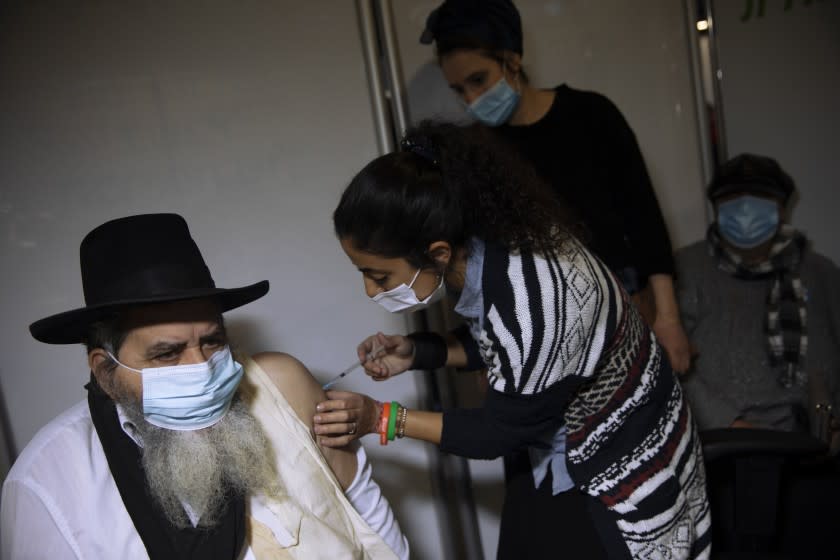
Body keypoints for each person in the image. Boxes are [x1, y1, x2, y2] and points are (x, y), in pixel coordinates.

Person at [313, 122, 711, 559]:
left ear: (439, 252)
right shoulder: (488, 244)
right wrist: (419, 352)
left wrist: (380, 418)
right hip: (559, 436)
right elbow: (502, 345)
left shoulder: (539, 299)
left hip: (622, 461)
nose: (371, 291)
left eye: (379, 276)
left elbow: (495, 431)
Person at [0, 213, 409, 559]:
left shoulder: (282, 387)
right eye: (167, 354)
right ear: (105, 371)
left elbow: (366, 518)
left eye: (212, 341)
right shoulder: (47, 486)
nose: (202, 369)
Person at [418, 0, 692, 374]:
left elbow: (643, 217)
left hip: (622, 310)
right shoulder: (476, 153)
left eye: (478, 80)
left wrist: (669, 318)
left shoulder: (590, 115)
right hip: (539, 333)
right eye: (458, 90)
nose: (471, 100)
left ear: (511, 58)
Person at [676, 154, 840, 451]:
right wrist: (727, 423)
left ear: (782, 207)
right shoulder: (685, 269)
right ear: (715, 207)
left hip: (810, 443)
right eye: (733, 198)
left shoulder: (819, 271)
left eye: (761, 197)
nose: (746, 208)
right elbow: (667, 361)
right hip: (723, 445)